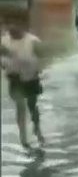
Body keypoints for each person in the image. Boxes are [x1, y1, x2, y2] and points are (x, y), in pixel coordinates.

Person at [1, 17, 45, 149]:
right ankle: (23, 138)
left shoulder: (32, 41)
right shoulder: (4, 41)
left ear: (22, 26)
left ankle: (37, 128)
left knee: (32, 105)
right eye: (8, 25)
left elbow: (42, 60)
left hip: (31, 77)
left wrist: (37, 69)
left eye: (14, 24)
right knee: (20, 106)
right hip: (14, 77)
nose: (11, 28)